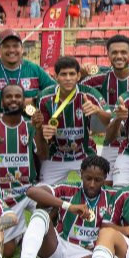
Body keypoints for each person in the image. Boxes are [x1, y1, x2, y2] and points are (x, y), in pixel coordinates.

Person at [15, 156, 115, 258]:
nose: (92, 184)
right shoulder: (67, 189)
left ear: (105, 178)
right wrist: (68, 206)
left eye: (97, 180)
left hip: (84, 257)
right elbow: (31, 192)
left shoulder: (113, 197)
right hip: (57, 248)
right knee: (40, 214)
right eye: (88, 179)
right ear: (81, 174)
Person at [0, 83, 48, 258]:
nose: (13, 100)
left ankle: (34, 234)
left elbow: (43, 155)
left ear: (23, 101)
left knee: (52, 207)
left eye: (17, 97)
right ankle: (19, 233)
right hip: (2, 193)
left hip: (29, 190)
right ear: (1, 101)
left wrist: (39, 129)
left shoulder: (30, 126)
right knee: (7, 252)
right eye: (9, 97)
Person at [36, 57, 109, 185]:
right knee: (44, 193)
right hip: (55, 155)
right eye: (63, 74)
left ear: (78, 75)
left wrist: (97, 110)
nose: (68, 78)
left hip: (84, 153)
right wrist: (44, 130)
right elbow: (42, 129)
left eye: (72, 74)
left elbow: (111, 120)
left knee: (96, 187)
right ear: (55, 76)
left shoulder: (89, 93)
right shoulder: (45, 97)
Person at [81, 35, 129, 184]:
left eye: (123, 52)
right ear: (107, 54)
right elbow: (73, 87)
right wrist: (81, 75)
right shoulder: (100, 78)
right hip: (114, 140)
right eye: (114, 52)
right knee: (104, 183)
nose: (119, 56)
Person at [0, 29, 55, 114]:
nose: (12, 50)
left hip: (28, 127)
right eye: (6, 46)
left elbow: (57, 90)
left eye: (15, 46)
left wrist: (34, 100)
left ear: (22, 48)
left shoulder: (35, 70)